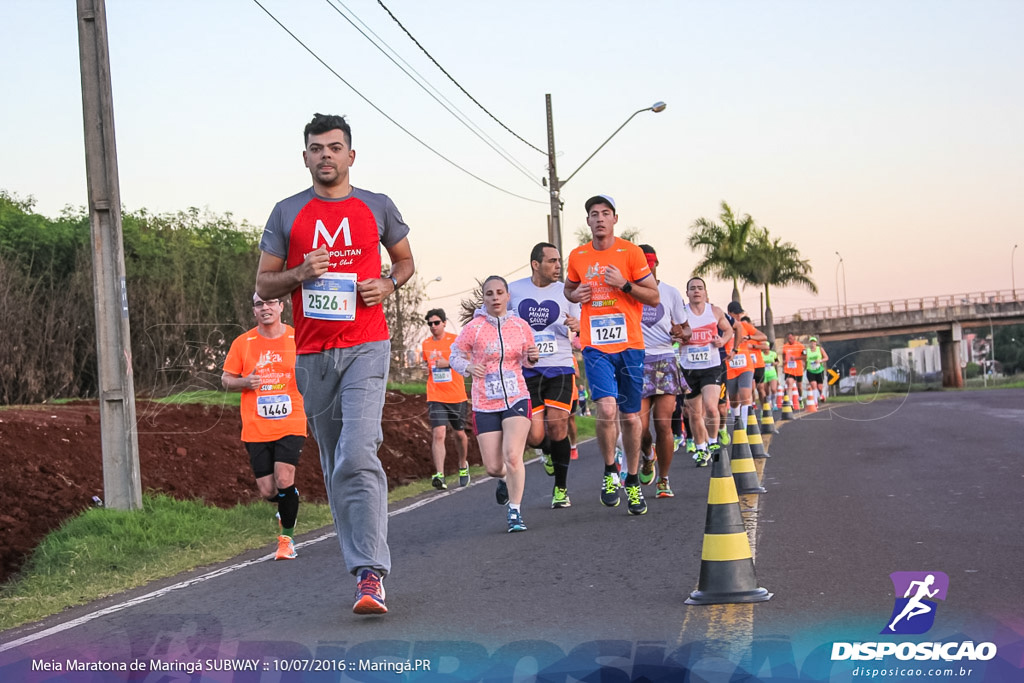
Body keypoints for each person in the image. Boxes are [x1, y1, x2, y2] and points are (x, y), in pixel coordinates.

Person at [255, 113, 415, 616]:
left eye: (335, 147)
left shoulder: (378, 206)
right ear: (305, 157)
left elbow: (405, 261)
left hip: (367, 343)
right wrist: (301, 272)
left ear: (351, 155)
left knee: (357, 450)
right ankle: (361, 565)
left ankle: (370, 574)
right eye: (317, 148)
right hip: (312, 354)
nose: (326, 155)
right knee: (332, 461)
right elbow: (264, 284)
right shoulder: (287, 213)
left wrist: (389, 284)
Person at [564, 195, 660, 515]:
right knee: (606, 408)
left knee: (631, 417)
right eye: (594, 214)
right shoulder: (578, 256)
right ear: (588, 221)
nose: (600, 218)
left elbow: (654, 297)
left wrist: (626, 285)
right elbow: (569, 289)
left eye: (606, 213)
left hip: (630, 345)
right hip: (596, 346)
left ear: (615, 219)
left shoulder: (630, 253)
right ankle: (610, 471)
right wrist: (575, 294)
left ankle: (632, 480)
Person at [449, 276, 539, 531]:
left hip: (516, 396)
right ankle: (502, 480)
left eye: (500, 292)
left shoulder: (521, 326)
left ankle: (515, 512)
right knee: (493, 467)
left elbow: (528, 358)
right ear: (484, 298)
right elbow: (454, 355)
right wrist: (467, 366)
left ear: (508, 296)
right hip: (485, 401)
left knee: (512, 456)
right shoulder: (473, 328)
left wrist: (532, 357)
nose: (495, 297)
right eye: (490, 294)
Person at [221, 294, 307, 562]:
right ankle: (286, 501)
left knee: (284, 477)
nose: (265, 307)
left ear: (282, 307)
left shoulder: (297, 338)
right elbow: (226, 379)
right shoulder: (243, 343)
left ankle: (286, 541)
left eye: (271, 302)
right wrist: (245, 381)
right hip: (256, 425)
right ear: (254, 310)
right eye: (259, 304)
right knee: (269, 490)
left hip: (291, 419)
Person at [509, 242, 580, 509]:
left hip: (560, 366)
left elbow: (583, 324)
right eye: (552, 261)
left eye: (559, 260)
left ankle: (560, 489)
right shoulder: (514, 290)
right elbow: (496, 317)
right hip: (527, 369)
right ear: (535, 264)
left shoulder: (567, 292)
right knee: (535, 436)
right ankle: (547, 452)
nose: (558, 266)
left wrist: (577, 325)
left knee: (558, 426)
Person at [636, 245, 689, 500]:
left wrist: (681, 333)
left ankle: (664, 480)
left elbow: (686, 329)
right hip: (636, 361)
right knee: (639, 426)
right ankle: (648, 455)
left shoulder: (670, 293)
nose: (647, 267)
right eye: (642, 263)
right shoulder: (629, 292)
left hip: (665, 359)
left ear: (657, 263)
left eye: (651, 262)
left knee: (663, 424)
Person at [679, 277, 733, 467]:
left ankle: (713, 442)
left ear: (705, 292)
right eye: (692, 288)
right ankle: (701, 449)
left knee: (711, 407)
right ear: (687, 293)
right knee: (694, 413)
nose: (696, 291)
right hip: (689, 367)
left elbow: (729, 331)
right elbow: (671, 336)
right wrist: (679, 338)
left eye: (699, 288)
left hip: (711, 366)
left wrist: (723, 341)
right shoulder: (681, 313)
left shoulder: (715, 311)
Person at [421, 308, 470, 490]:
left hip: (456, 395)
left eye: (436, 323)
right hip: (436, 395)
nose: (433, 327)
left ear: (443, 323)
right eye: (430, 324)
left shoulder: (455, 341)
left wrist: (448, 363)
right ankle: (440, 475)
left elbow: (467, 363)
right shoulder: (425, 344)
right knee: (439, 433)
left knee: (459, 434)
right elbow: (428, 365)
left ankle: (463, 466)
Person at [724, 302, 767, 433]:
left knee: (745, 396)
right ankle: (737, 420)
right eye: (735, 313)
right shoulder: (723, 327)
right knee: (734, 400)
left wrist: (749, 337)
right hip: (730, 367)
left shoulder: (745, 326)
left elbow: (763, 337)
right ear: (729, 313)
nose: (738, 315)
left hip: (746, 366)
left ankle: (744, 428)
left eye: (740, 313)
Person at [782, 332, 807, 407]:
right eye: (788, 338)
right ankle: (790, 402)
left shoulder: (800, 346)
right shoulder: (785, 346)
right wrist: (784, 362)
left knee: (799, 386)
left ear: (794, 338)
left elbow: (805, 357)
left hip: (798, 369)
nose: (789, 340)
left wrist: (796, 358)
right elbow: (784, 357)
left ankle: (800, 398)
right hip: (789, 369)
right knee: (789, 383)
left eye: (791, 338)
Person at [805, 336, 830, 403]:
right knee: (813, 385)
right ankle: (815, 402)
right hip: (810, 370)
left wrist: (820, 360)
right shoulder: (807, 350)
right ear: (809, 343)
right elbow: (802, 358)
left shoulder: (820, 349)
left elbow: (826, 358)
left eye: (814, 342)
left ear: (816, 343)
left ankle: (821, 395)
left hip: (819, 370)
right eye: (811, 342)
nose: (812, 343)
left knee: (819, 387)